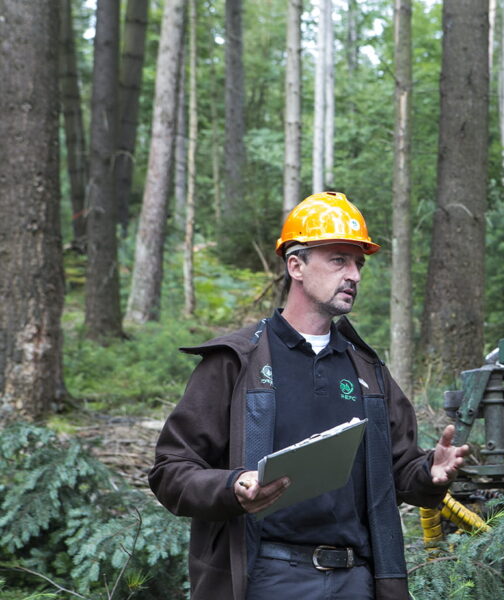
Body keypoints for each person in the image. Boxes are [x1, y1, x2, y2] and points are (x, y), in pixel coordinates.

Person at [149, 191, 469, 600]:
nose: (353, 274)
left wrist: (430, 473)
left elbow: (400, 472)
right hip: (263, 576)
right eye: (339, 260)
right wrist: (234, 487)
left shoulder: (367, 370)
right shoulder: (236, 362)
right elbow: (170, 471)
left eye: (358, 263)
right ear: (295, 266)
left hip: (356, 579)